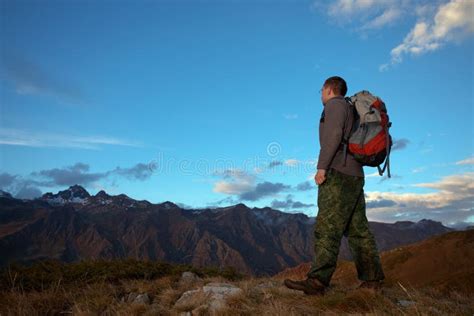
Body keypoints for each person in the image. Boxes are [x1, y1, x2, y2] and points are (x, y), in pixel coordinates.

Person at [284, 76, 385, 295]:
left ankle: (317, 282)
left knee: (327, 229)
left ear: (329, 89)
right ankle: (372, 281)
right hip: (355, 175)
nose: (320, 94)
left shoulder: (335, 105)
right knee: (359, 231)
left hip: (338, 175)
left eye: (321, 90)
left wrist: (322, 168)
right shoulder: (349, 108)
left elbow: (333, 136)